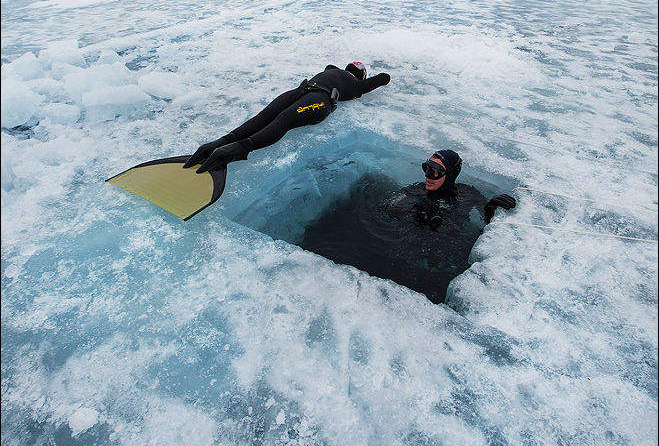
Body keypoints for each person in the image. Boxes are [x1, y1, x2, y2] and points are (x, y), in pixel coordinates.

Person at [300, 148, 517, 305]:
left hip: (450, 250)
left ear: (450, 175)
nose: (428, 176)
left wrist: (492, 211)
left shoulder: (468, 194)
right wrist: (413, 213)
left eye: (435, 171)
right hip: (414, 246)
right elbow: (383, 208)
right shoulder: (416, 191)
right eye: (426, 168)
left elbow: (486, 223)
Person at [184, 61, 391, 174]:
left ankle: (217, 144)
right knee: (283, 121)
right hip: (320, 100)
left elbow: (329, 66)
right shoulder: (356, 85)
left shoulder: (331, 71)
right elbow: (384, 78)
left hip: (299, 91)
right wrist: (359, 87)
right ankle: (232, 151)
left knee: (265, 116)